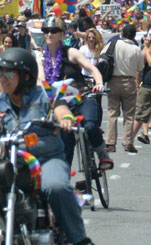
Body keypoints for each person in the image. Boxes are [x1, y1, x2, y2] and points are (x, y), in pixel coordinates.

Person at [0, 47, 104, 245]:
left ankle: (80, 240)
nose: (2, 78)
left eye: (9, 73)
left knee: (56, 187)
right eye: (0, 72)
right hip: (7, 161)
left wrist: (66, 119)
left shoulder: (45, 94)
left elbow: (61, 109)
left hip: (44, 159)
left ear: (26, 76)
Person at [42, 16, 109, 168]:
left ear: (61, 33)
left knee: (90, 126)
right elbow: (40, 81)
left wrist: (99, 84)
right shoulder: (41, 58)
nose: (49, 34)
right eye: (46, 31)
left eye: (53, 31)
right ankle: (64, 176)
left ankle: (102, 153)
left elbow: (92, 69)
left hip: (82, 97)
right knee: (65, 139)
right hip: (61, 105)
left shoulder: (71, 52)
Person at [104, 23, 144, 154]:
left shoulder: (113, 44)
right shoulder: (136, 49)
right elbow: (140, 67)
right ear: (134, 36)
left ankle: (110, 142)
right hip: (129, 81)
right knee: (129, 115)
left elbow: (102, 56)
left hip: (113, 80)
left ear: (122, 34)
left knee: (112, 113)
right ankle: (128, 142)